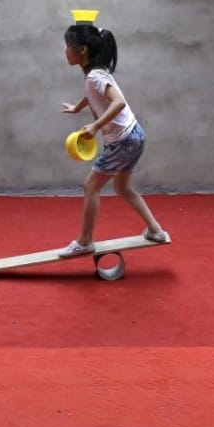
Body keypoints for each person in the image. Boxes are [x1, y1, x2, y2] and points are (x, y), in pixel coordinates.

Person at [57, 19, 168, 257]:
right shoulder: (96, 74)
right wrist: (77, 107)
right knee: (122, 187)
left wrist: (96, 126)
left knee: (91, 186)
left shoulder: (95, 76)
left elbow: (118, 102)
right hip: (134, 134)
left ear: (82, 49)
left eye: (68, 46)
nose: (65, 51)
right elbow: (93, 94)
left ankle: (85, 242)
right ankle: (156, 230)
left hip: (122, 140)